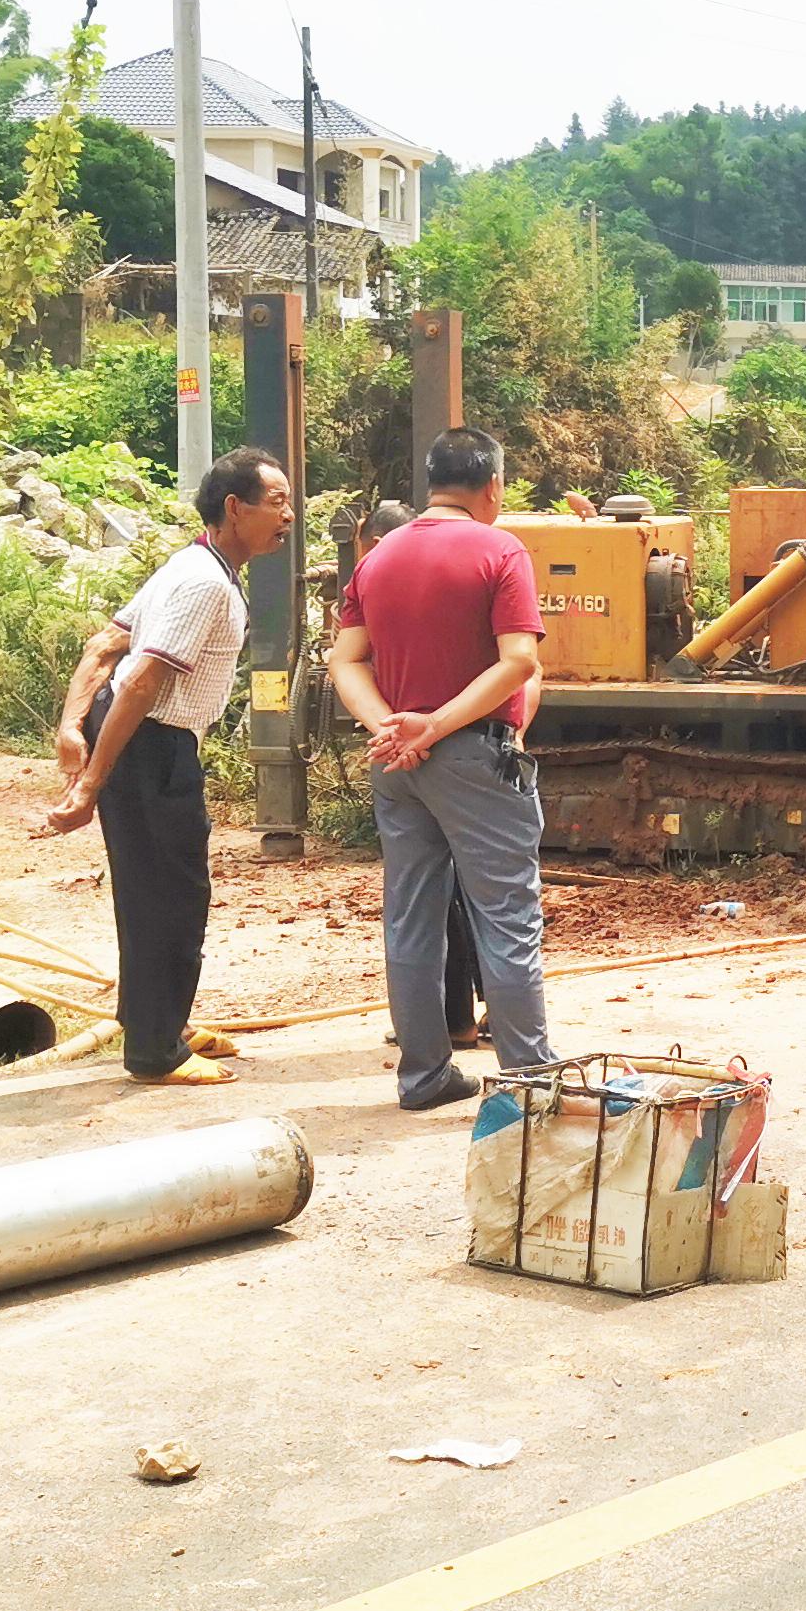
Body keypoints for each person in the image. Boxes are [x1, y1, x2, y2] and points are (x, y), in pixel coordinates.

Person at [44, 446, 293, 1087]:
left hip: (143, 739)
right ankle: (156, 1051)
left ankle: (158, 1020)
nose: (287, 515)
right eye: (277, 502)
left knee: (149, 888)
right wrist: (90, 781)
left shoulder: (193, 565)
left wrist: (73, 724)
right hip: (150, 742)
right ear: (235, 509)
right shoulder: (204, 582)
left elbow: (106, 644)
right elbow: (140, 682)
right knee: (172, 897)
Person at [327, 425, 549, 1111]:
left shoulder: (378, 557)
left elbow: (344, 659)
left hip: (398, 764)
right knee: (507, 914)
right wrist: (438, 725)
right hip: (474, 755)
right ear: (493, 488)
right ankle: (529, 1082)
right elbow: (519, 659)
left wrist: (390, 729)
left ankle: (424, 1076)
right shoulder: (500, 549)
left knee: (411, 917)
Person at [360, 499, 488, 1051]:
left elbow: (355, 666)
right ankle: (484, 1018)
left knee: (427, 903)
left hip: (414, 754)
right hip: (447, 747)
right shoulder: (463, 576)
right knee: (484, 900)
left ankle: (442, 1026)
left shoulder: (382, 579)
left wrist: (402, 736)